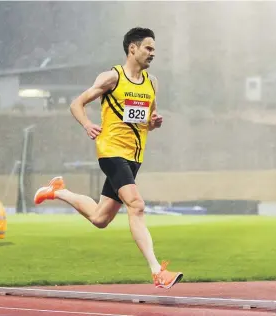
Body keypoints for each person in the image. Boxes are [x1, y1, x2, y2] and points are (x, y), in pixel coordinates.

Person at [34, 27, 183, 289]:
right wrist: (87, 124)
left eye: (154, 49)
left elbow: (147, 120)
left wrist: (154, 122)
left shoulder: (152, 82)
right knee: (136, 205)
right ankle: (157, 271)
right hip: (111, 152)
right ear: (132, 48)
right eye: (148, 48)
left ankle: (57, 192)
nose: (152, 53)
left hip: (135, 155)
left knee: (100, 219)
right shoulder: (111, 77)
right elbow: (76, 104)